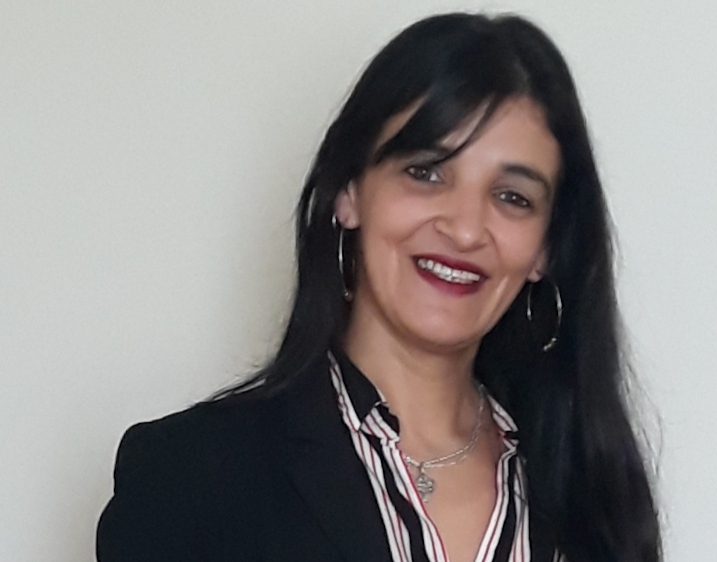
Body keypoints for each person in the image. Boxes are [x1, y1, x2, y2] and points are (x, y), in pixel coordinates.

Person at [96, 12, 661, 562]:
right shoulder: (190, 477)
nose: (466, 229)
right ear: (349, 192)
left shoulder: (597, 502)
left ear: (545, 248)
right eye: (426, 172)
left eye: (513, 197)